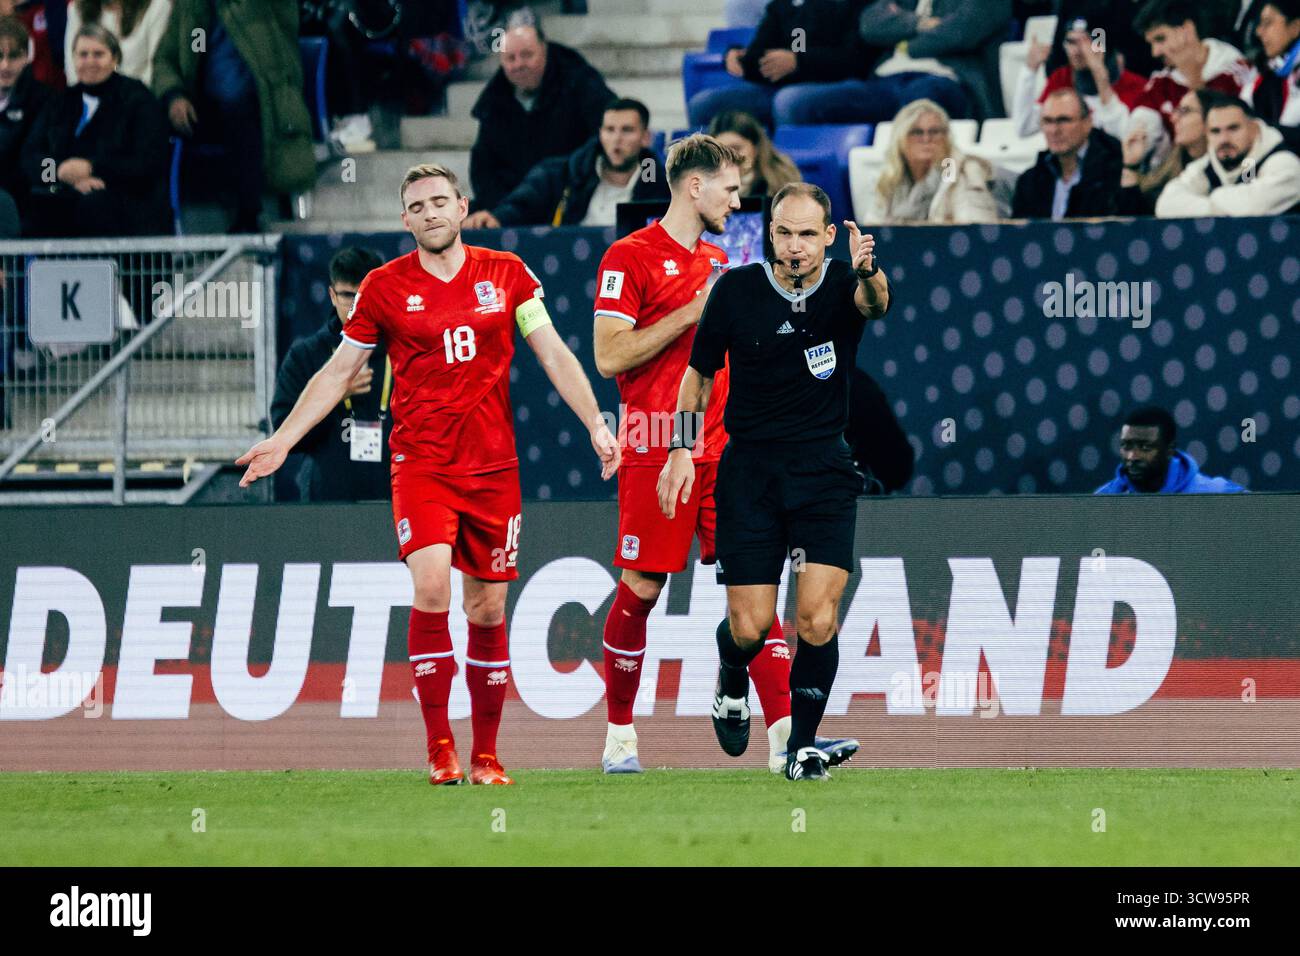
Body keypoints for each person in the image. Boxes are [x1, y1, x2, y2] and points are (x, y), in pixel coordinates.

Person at [236, 163, 620, 787]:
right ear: (405, 219)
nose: (432, 212)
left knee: (488, 608)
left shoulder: (508, 275)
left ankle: (487, 754)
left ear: (463, 206)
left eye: (442, 201)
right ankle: (440, 745)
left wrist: (597, 425)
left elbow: (552, 351)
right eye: (419, 205)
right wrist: (283, 440)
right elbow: (337, 372)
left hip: (494, 468)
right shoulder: (384, 289)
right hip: (422, 464)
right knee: (433, 591)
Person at [591, 135, 859, 775]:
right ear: (694, 187)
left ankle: (786, 741)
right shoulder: (628, 258)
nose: (738, 202)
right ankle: (621, 735)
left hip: (733, 456)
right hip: (660, 448)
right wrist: (690, 313)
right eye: (730, 189)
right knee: (641, 588)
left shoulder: (725, 265)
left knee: (757, 605)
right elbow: (609, 356)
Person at [658, 182, 891, 781]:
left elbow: (876, 304)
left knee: (816, 618)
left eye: (807, 234)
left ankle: (802, 747)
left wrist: (868, 271)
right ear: (769, 234)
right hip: (750, 475)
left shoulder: (846, 283)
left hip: (824, 473)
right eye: (783, 233)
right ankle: (730, 675)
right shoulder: (735, 291)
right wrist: (682, 448)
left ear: (829, 237)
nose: (794, 246)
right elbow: (698, 378)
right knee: (751, 626)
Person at [152, 0, 316, 232]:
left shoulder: (265, 7)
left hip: (263, 104)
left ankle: (249, 214)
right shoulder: (189, 7)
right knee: (147, 119)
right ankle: (154, 231)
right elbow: (164, 59)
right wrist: (174, 95)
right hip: (200, 106)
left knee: (236, 106)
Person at [20, 23, 171, 237]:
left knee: (94, 206)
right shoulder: (61, 101)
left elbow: (148, 162)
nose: (90, 61)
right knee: (39, 208)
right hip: (65, 191)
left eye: (98, 54)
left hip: (125, 198)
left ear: (115, 59)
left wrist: (93, 169)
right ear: (73, 59)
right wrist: (58, 171)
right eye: (83, 54)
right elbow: (31, 155)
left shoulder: (138, 99)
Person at [271, 247, 391, 502]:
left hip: (397, 494)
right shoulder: (305, 354)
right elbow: (284, 430)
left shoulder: (405, 349)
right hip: (328, 497)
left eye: (365, 296)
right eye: (348, 296)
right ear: (332, 295)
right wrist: (333, 396)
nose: (357, 307)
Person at [468, 18, 614, 213]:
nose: (519, 64)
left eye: (527, 55)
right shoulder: (493, 102)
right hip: (512, 208)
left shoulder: (581, 82)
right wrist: (505, 210)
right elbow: (483, 169)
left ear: (545, 50)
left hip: (574, 200)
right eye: (510, 58)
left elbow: (607, 137)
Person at [463, 98, 668, 228]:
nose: (616, 139)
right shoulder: (564, 172)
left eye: (627, 130)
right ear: (600, 133)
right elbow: (524, 203)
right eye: (609, 130)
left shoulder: (660, 185)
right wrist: (498, 218)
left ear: (646, 137)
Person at [686, 0, 883, 129]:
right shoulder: (783, 5)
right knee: (703, 105)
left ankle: (789, 180)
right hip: (782, 87)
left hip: (842, 85)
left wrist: (799, 62)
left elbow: (856, 61)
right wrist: (736, 56)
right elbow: (759, 50)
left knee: (788, 102)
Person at [1127, 0, 1252, 167]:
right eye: (1151, 43)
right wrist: (1138, 149)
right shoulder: (1161, 82)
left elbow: (1225, 133)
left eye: (1160, 39)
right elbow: (1141, 125)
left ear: (1187, 30)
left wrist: (1191, 72)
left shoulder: (1236, 72)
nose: (1155, 52)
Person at [855, 0, 1012, 121]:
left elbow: (959, 34)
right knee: (833, 99)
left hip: (948, 78)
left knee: (919, 99)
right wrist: (920, 23)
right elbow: (870, 24)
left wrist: (905, 44)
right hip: (887, 78)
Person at [1155, 92, 1300, 214]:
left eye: (1233, 128)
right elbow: (1166, 204)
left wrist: (1212, 197)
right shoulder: (1208, 165)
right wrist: (1214, 206)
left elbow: (1252, 206)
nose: (1224, 139)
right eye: (1215, 131)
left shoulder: (1283, 161)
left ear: (1254, 128)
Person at [865, 98, 998, 224]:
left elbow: (974, 230)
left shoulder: (962, 171)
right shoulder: (890, 178)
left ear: (946, 137)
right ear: (900, 138)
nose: (926, 138)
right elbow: (872, 231)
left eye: (934, 131)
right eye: (917, 132)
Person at [1014, 17, 1149, 140]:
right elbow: (1024, 128)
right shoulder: (1061, 78)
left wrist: (1100, 76)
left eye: (1085, 42)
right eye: (1071, 42)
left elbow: (1125, 139)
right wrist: (1029, 70)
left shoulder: (1136, 85)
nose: (1076, 51)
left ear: (1101, 45)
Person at [1011, 87, 1122, 219]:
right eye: (1047, 121)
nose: (1054, 130)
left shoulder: (1114, 171)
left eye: (1063, 120)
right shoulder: (1029, 181)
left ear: (1087, 123)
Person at [1095, 406, 1246, 493]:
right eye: (1126, 446)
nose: (1132, 456)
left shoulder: (1216, 494)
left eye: (1145, 447)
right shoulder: (1102, 501)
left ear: (1169, 450)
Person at [1118, 88, 1209, 213]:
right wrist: (1131, 165)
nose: (1173, 118)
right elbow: (1137, 221)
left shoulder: (1239, 165)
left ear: (1211, 117)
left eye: (1185, 111)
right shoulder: (1167, 171)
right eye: (1176, 111)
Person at [0, 15, 51, 236]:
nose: (5, 65)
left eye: (14, 56)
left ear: (26, 57)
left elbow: (45, 159)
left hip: (23, 194)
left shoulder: (44, 99)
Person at [63, 0, 172, 88]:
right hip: (89, 102)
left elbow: (157, 67)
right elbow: (72, 67)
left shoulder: (157, 6)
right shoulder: (76, 9)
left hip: (138, 102)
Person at [1241, 0, 1300, 150]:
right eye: (1259, 24)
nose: (1259, 32)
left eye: (1268, 23)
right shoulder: (1267, 75)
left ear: (1295, 27)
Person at [705, 110, 801, 197]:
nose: (729, 157)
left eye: (736, 149)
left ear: (756, 148)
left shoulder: (781, 183)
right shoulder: (704, 188)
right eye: (720, 151)